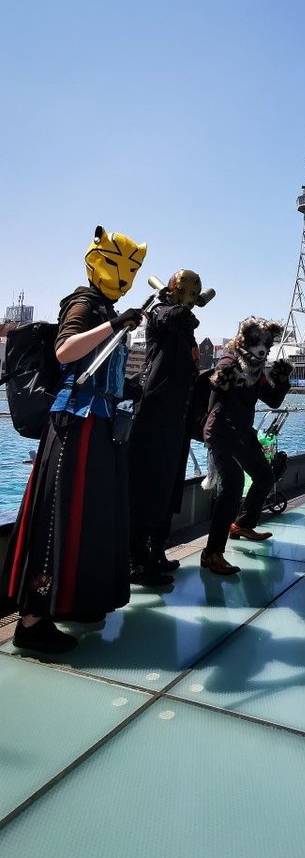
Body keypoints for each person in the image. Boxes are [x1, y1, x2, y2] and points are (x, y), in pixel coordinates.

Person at [1, 225, 146, 654]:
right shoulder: (84, 304)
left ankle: (73, 600)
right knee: (58, 514)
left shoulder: (103, 307)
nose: (124, 277)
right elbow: (65, 351)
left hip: (97, 425)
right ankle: (32, 620)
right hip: (73, 426)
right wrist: (115, 324)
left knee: (89, 513)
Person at [128, 269, 212, 585]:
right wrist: (169, 300)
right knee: (148, 487)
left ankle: (155, 551)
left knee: (169, 487)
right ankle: (135, 561)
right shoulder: (161, 314)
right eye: (186, 293)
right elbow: (170, 316)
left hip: (177, 418)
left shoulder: (185, 329)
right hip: (154, 416)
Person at [201, 318, 292, 576]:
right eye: (256, 343)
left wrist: (281, 380)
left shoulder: (257, 370)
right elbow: (212, 399)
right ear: (244, 341)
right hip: (221, 432)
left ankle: (242, 524)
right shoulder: (229, 363)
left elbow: (273, 401)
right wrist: (222, 383)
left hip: (242, 433)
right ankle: (211, 553)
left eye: (266, 345)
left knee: (264, 476)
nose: (262, 350)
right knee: (233, 483)